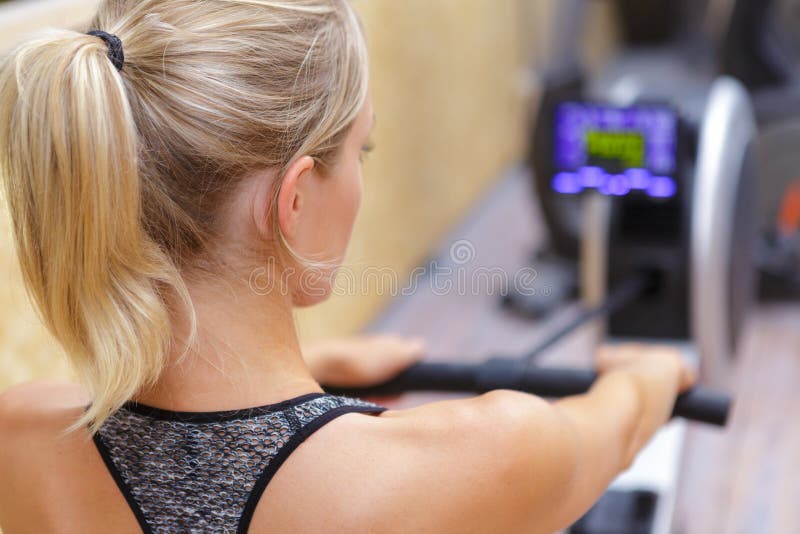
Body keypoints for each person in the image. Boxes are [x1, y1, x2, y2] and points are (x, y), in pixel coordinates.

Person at [0, 0, 696, 532]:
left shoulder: (20, 434)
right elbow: (617, 424)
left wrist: (322, 365)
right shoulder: (484, 455)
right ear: (296, 197)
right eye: (359, 153)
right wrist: (652, 373)